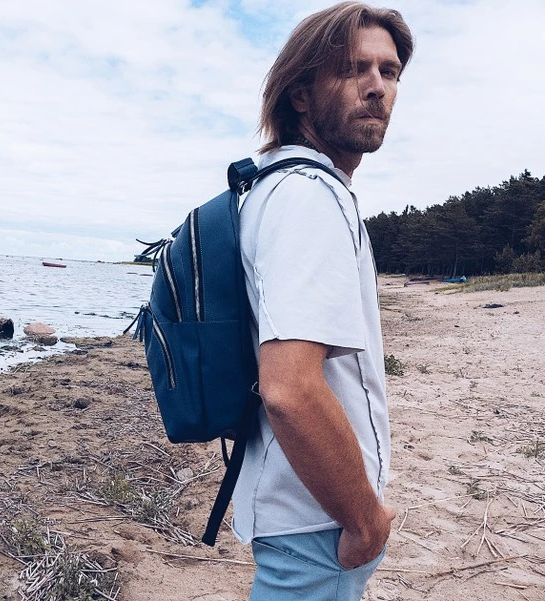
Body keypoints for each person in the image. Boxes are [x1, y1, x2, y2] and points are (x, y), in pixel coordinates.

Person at [232, 3, 414, 600]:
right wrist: (364, 520)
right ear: (301, 95)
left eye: (389, 72)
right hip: (317, 523)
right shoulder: (309, 196)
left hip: (300, 512)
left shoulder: (276, 186)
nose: (376, 87)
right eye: (353, 69)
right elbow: (289, 388)